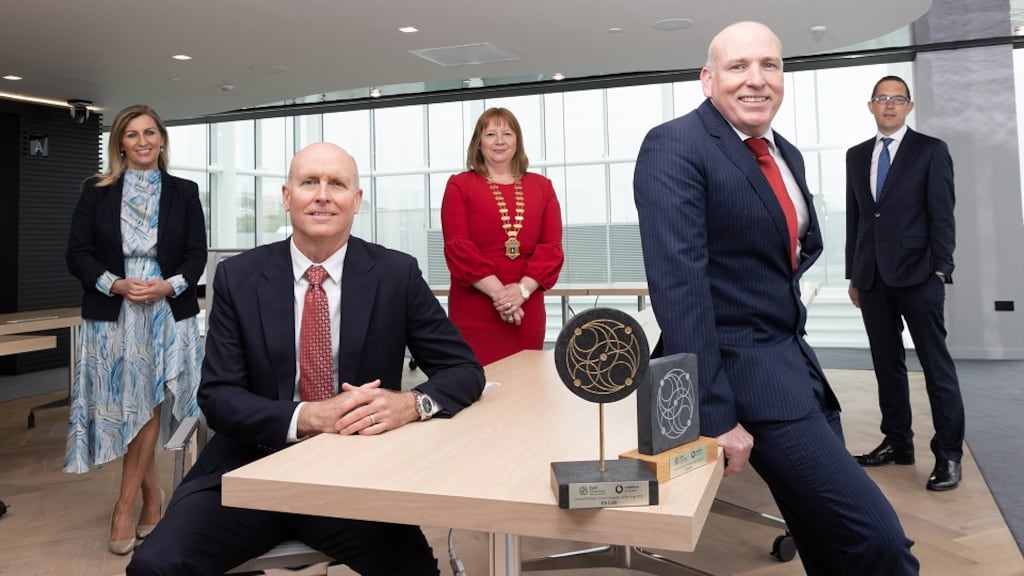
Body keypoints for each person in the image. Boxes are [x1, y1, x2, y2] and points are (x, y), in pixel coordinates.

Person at [633, 22, 919, 575]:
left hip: (798, 370)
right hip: (745, 381)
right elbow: (681, 290)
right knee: (880, 545)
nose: (756, 80)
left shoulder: (780, 151)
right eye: (739, 67)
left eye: (770, 65)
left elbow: (790, 248)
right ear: (707, 80)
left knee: (828, 545)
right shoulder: (675, 145)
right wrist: (714, 414)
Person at [127, 142, 485, 575]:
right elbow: (219, 396)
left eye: (337, 184)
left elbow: (464, 370)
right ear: (286, 196)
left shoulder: (396, 274)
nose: (322, 194)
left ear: (356, 201)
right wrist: (310, 417)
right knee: (154, 565)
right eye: (309, 182)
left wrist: (411, 404)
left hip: (356, 477)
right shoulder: (239, 278)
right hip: (250, 468)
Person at [64, 104, 207, 554]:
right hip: (113, 312)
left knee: (148, 403)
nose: (142, 141)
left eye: (150, 132)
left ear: (162, 140)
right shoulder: (96, 191)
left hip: (165, 311)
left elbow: (195, 255)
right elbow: (78, 253)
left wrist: (167, 285)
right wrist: (116, 284)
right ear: (120, 143)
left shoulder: (184, 191)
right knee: (128, 404)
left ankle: (123, 507)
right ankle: (150, 495)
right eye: (131, 134)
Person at [846, 75, 964, 492]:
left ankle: (949, 455)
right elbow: (857, 218)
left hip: (919, 275)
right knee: (887, 365)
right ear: (871, 106)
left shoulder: (930, 151)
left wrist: (941, 268)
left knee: (936, 368)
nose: (890, 105)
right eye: (882, 98)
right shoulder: (856, 156)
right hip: (873, 277)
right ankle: (898, 443)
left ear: (909, 107)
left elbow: (943, 214)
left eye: (898, 99)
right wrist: (854, 274)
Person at [441, 107, 564, 366]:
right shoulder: (459, 185)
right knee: (476, 385)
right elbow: (458, 247)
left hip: (527, 304)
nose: (499, 141)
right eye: (491, 134)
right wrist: (503, 297)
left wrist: (521, 291)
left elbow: (551, 248)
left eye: (507, 133)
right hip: (475, 306)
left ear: (517, 141)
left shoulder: (543, 187)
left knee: (525, 384)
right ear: (478, 142)